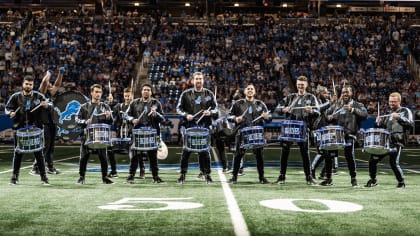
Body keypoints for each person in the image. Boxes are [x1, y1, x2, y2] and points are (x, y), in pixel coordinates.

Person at [5, 75, 50, 185]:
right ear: (23, 84)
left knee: (39, 153)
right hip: (19, 129)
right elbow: (7, 108)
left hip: (35, 128)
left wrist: (46, 105)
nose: (28, 86)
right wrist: (10, 113)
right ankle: (14, 178)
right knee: (18, 153)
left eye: (30, 84)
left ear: (33, 85)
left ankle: (44, 178)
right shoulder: (15, 97)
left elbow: (49, 105)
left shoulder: (39, 96)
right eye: (26, 84)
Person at [275, 76, 320, 185]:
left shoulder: (311, 97)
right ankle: (282, 176)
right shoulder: (290, 97)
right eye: (299, 84)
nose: (300, 86)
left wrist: (311, 111)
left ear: (306, 85)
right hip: (289, 128)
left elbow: (318, 113)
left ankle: (309, 177)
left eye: (302, 84)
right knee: (284, 153)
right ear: (296, 84)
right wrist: (283, 109)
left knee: (305, 154)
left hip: (303, 128)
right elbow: (277, 109)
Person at [176, 71, 218, 184]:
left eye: (200, 79)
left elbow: (216, 109)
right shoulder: (185, 94)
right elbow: (178, 109)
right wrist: (186, 115)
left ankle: (207, 174)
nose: (198, 81)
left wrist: (210, 113)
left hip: (204, 127)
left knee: (205, 152)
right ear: (193, 80)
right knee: (186, 151)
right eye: (197, 79)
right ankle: (182, 175)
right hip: (189, 126)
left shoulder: (209, 94)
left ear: (203, 80)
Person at [365, 92, 414, 189]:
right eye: (390, 101)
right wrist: (378, 123)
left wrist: (399, 117)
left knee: (393, 163)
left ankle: (401, 182)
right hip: (385, 142)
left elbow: (410, 124)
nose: (391, 103)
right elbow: (383, 128)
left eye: (394, 102)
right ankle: (373, 180)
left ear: (399, 101)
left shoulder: (405, 111)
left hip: (397, 141)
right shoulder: (388, 114)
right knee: (372, 160)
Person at [228, 83, 271, 184]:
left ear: (255, 91)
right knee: (238, 155)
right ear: (245, 91)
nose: (250, 90)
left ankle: (261, 177)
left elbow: (269, 118)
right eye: (248, 89)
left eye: (252, 89)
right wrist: (235, 118)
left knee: (259, 156)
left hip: (256, 133)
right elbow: (229, 117)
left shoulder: (261, 104)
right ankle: (234, 177)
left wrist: (266, 117)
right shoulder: (238, 104)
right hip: (242, 132)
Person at [326, 85, 368, 187]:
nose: (345, 94)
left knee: (349, 156)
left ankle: (353, 179)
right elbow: (327, 113)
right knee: (329, 154)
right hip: (337, 134)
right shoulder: (337, 105)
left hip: (350, 134)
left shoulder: (358, 105)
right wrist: (329, 116)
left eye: (347, 92)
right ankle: (328, 179)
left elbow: (365, 114)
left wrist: (352, 109)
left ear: (351, 93)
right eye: (343, 92)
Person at [126, 84, 165, 184]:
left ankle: (155, 177)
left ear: (151, 92)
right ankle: (131, 176)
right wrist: (132, 119)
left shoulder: (156, 103)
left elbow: (162, 118)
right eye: (144, 90)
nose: (146, 91)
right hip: (137, 133)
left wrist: (156, 114)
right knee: (134, 156)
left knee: (152, 156)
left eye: (148, 90)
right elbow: (126, 115)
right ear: (141, 91)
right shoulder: (134, 103)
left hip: (151, 133)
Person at [76, 84, 114, 184]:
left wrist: (108, 116)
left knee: (103, 158)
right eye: (96, 92)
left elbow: (111, 122)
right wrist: (84, 122)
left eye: (100, 92)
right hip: (87, 135)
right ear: (91, 93)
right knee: (84, 157)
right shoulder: (84, 107)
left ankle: (105, 177)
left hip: (101, 135)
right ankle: (81, 177)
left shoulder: (105, 106)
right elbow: (76, 120)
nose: (98, 94)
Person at [30, 68, 64, 175]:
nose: (50, 85)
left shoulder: (51, 94)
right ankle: (35, 168)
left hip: (52, 124)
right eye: (49, 83)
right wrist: (48, 73)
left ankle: (50, 167)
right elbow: (44, 82)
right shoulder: (41, 93)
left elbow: (57, 85)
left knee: (51, 147)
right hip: (43, 124)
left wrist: (60, 73)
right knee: (45, 147)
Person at [310, 86, 339, 185]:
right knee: (322, 152)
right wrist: (331, 102)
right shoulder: (315, 100)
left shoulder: (324, 101)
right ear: (320, 93)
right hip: (317, 130)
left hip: (324, 130)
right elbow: (319, 109)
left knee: (327, 153)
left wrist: (334, 105)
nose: (327, 95)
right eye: (325, 93)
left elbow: (326, 115)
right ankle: (312, 170)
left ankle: (324, 174)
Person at [106, 87, 133, 178]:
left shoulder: (135, 105)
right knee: (110, 150)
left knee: (136, 152)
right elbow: (110, 110)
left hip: (131, 133)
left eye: (129, 96)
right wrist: (109, 101)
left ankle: (141, 170)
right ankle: (114, 171)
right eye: (126, 96)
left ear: (132, 96)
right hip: (120, 134)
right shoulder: (119, 106)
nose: (127, 97)